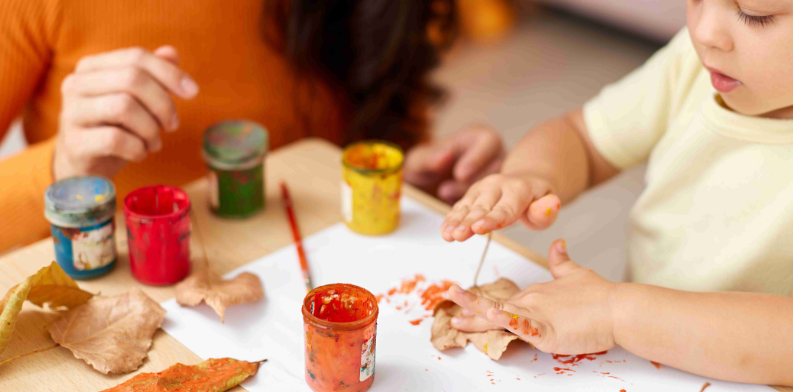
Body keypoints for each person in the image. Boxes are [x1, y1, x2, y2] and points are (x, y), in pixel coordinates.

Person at [437, 0, 793, 392]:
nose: (705, 31)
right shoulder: (697, 65)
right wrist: (530, 175)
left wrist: (615, 311)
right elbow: (583, 140)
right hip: (647, 375)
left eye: (755, 13)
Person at [0, 0, 504, 253]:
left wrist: (402, 175)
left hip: (307, 281)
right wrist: (61, 168)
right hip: (112, 292)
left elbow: (377, 127)